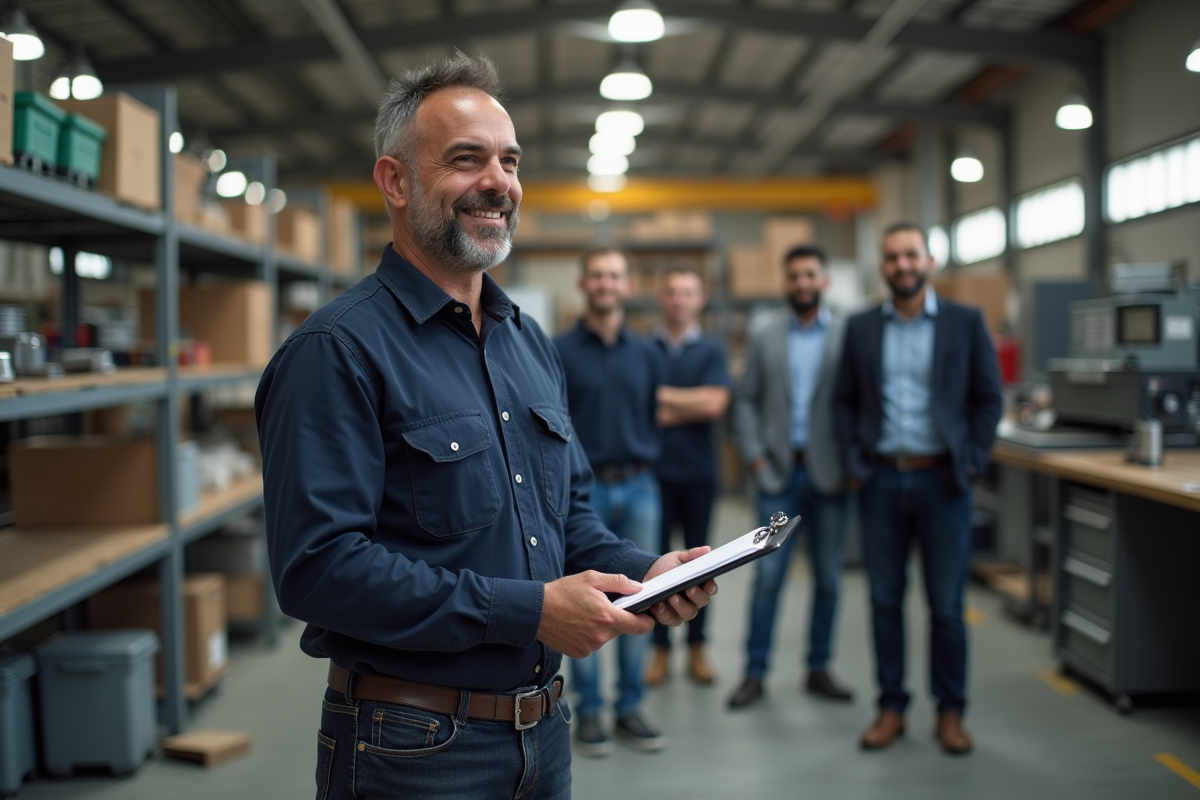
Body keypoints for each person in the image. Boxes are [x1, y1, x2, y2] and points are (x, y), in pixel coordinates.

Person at [255, 54, 715, 800]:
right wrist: (532, 612)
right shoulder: (336, 352)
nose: (499, 182)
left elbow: (565, 517)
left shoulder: (528, 342)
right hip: (411, 750)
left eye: (510, 161)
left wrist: (646, 574)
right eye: (466, 160)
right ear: (395, 182)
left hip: (543, 737)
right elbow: (317, 568)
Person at [833, 222, 1002, 756]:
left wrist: (971, 462)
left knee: (947, 606)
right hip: (881, 479)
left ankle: (951, 713)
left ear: (928, 260)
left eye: (911, 255)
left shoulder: (965, 322)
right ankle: (891, 707)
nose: (902, 265)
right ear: (882, 266)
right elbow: (843, 400)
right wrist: (857, 463)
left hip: (943, 481)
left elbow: (988, 398)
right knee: (885, 601)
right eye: (892, 257)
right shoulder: (860, 327)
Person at [727, 244, 855, 710]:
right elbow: (745, 401)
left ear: (825, 281)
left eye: (810, 275)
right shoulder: (765, 336)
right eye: (794, 276)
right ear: (787, 283)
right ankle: (754, 673)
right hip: (779, 476)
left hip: (830, 477)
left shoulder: (846, 335)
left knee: (828, 579)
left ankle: (818, 668)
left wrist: (852, 462)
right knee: (767, 581)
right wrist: (758, 458)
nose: (802, 283)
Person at [553, 247, 669, 757]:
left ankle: (630, 706)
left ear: (627, 285)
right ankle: (592, 710)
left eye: (614, 276)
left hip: (641, 485)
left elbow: (651, 415)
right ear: (584, 284)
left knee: (646, 594)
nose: (605, 284)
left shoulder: (647, 352)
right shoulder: (557, 350)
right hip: (584, 492)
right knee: (588, 597)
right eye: (596, 275)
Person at [645, 265, 732, 687]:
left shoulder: (712, 350)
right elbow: (640, 411)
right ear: (662, 298)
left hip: (699, 474)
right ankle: (659, 650)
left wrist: (659, 398)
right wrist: (689, 403)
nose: (679, 299)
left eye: (688, 292)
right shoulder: (645, 349)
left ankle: (698, 648)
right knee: (654, 565)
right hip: (654, 475)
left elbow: (714, 405)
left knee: (701, 567)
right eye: (672, 291)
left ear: (699, 300)